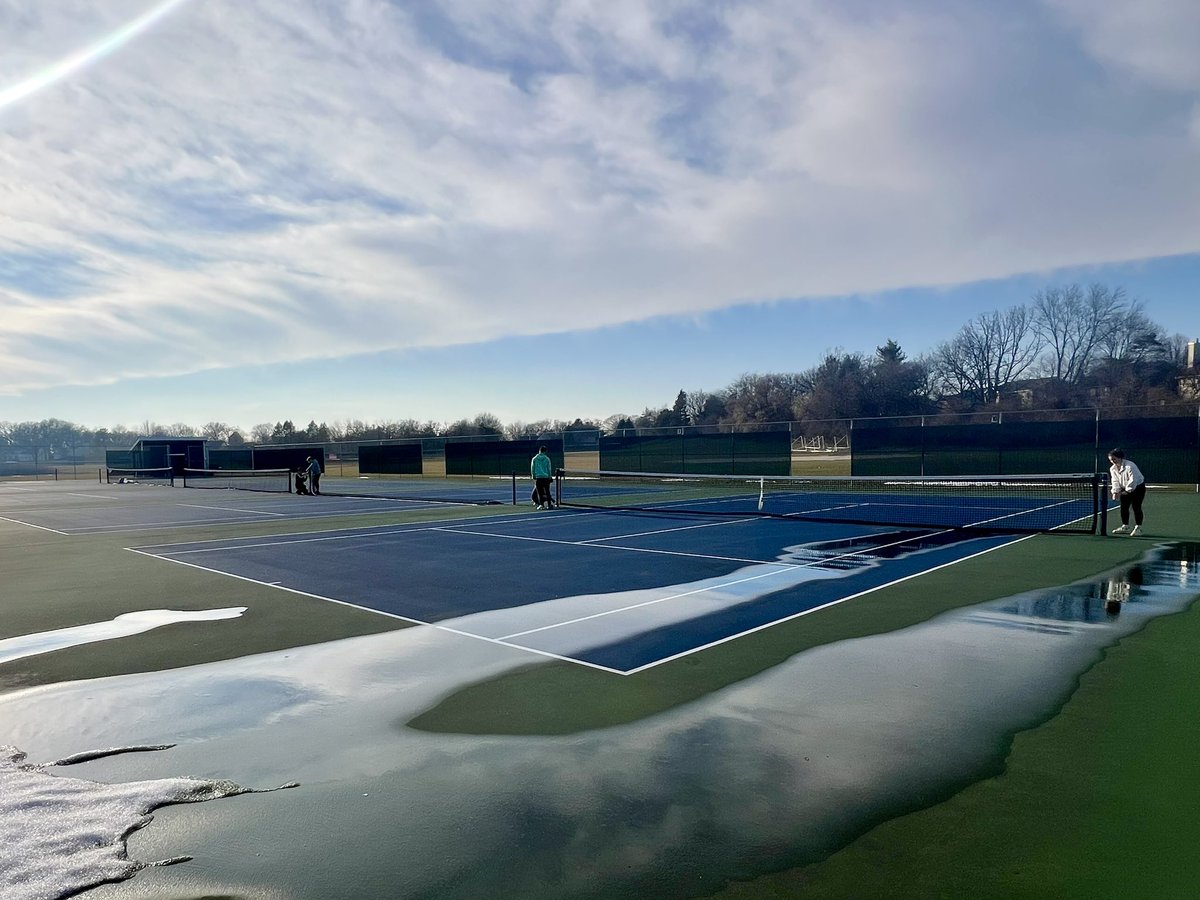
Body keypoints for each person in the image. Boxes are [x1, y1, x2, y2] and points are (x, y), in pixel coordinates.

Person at [1107, 448, 1145, 536]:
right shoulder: (1112, 468)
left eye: (1114, 459)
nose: (1112, 461)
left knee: (1136, 507)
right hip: (1124, 488)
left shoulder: (1130, 466)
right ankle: (1125, 526)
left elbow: (1133, 480)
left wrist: (1127, 491)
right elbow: (1115, 481)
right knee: (1124, 507)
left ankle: (1138, 528)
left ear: (1120, 458)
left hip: (1138, 487)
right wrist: (1115, 492)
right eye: (1111, 460)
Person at [530, 445, 555, 510]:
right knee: (547, 491)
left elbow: (532, 468)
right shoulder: (547, 459)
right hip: (546, 477)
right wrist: (550, 476)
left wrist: (533, 476)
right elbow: (549, 469)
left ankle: (541, 505)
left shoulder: (534, 459)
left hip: (538, 478)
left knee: (540, 492)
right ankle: (549, 505)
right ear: (545, 451)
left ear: (539, 451)